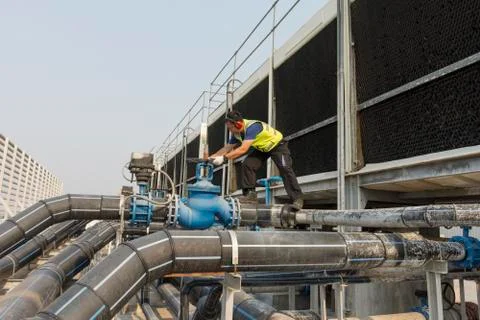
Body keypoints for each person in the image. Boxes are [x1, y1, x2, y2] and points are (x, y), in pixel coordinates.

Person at [209, 110, 304, 210]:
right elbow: (227, 148)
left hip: (277, 145)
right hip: (263, 148)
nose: (230, 131)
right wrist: (211, 157)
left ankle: (297, 199)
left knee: (285, 169)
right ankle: (250, 196)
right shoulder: (236, 134)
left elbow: (243, 149)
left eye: (230, 128)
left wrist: (224, 158)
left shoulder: (252, 127)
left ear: (237, 124)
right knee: (247, 164)